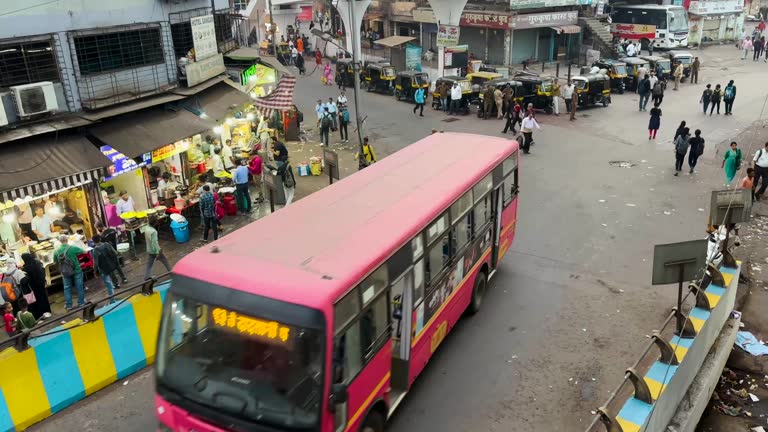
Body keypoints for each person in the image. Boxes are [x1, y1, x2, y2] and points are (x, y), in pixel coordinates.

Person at [53, 235, 86, 310]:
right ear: (67, 240)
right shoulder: (72, 248)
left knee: (67, 288)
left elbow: (55, 262)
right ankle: (81, 302)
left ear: (60, 241)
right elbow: (85, 251)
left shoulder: (56, 251)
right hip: (76, 270)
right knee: (79, 286)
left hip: (65, 272)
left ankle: (69, 305)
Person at [20, 253, 51, 319]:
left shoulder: (26, 268)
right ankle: (47, 311)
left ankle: (40, 314)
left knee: (37, 300)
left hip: (34, 287)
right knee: (44, 298)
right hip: (41, 284)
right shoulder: (37, 263)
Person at [91, 235, 120, 303]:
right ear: (100, 239)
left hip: (103, 269)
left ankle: (112, 300)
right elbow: (115, 253)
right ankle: (116, 285)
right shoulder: (107, 244)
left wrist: (95, 271)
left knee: (109, 284)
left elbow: (96, 263)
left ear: (93, 242)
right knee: (113, 277)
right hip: (111, 265)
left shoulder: (95, 250)